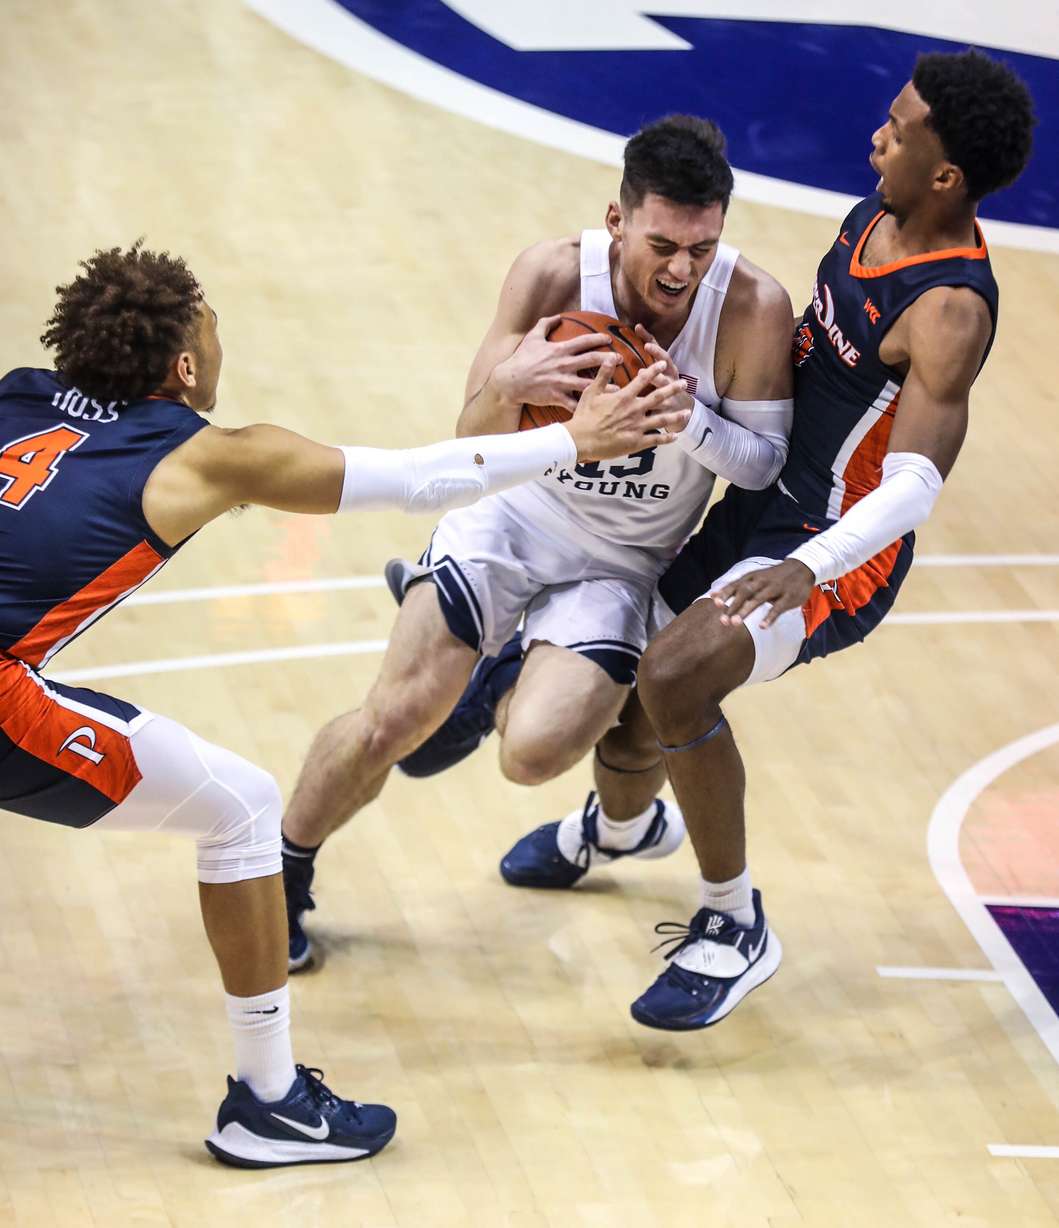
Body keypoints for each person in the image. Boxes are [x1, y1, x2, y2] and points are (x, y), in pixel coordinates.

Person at [0, 244, 689, 1165]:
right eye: (210, 323)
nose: (218, 334)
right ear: (185, 366)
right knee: (240, 804)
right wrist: (576, 438)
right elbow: (415, 482)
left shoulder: (17, 395)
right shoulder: (209, 457)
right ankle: (268, 1105)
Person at [500, 49, 1037, 1032]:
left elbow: (914, 484)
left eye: (902, 127)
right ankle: (624, 828)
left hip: (836, 547)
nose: (880, 132)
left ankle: (732, 920)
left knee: (676, 671)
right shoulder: (872, 216)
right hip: (763, 504)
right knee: (634, 699)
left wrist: (808, 565)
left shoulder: (950, 309)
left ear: (946, 174)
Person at [280, 115, 797, 970]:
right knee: (396, 718)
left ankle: (498, 671)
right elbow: (468, 431)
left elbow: (761, 465)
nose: (680, 270)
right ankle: (285, 871)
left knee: (532, 756)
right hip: (511, 516)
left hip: (623, 562)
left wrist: (685, 420)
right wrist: (510, 384)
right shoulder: (553, 274)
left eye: (700, 250)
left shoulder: (751, 307)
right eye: (662, 243)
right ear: (616, 220)